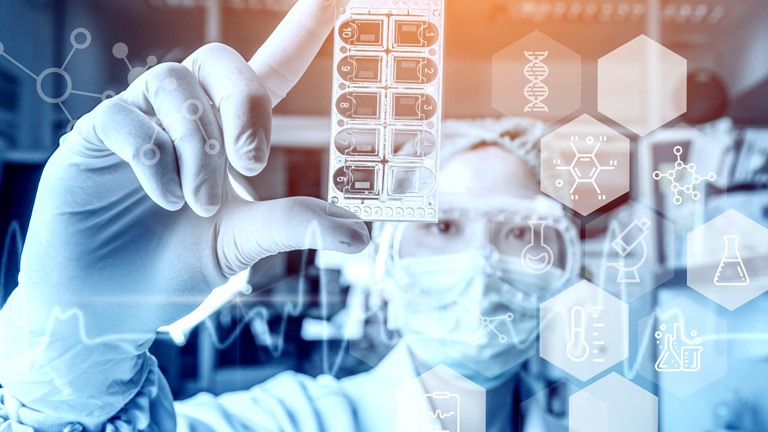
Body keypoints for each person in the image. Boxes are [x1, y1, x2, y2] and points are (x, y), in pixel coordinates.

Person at [0, 1, 577, 430]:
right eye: (443, 226)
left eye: (520, 234)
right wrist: (73, 361)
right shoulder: (291, 421)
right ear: (382, 263)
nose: (481, 265)